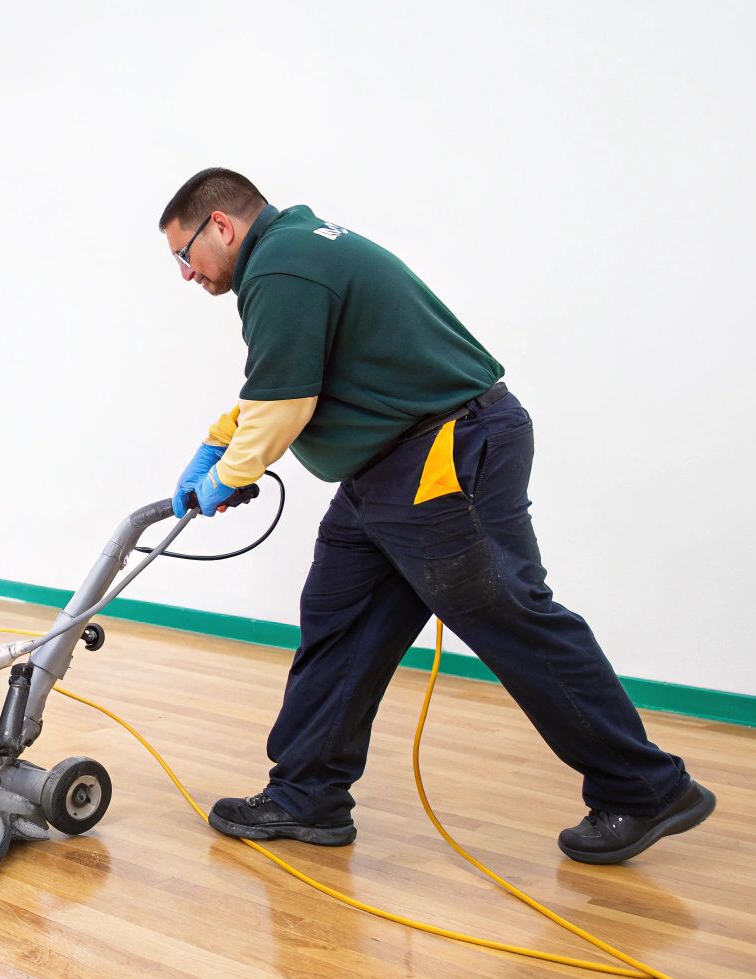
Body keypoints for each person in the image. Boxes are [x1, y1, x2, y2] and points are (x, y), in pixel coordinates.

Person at [160, 168, 713, 864]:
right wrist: (218, 441)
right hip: (387, 466)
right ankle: (307, 796)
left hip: (443, 452)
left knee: (511, 617)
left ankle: (644, 786)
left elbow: (285, 403)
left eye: (184, 257)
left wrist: (229, 475)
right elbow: (293, 377)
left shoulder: (283, 267)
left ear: (221, 225)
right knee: (342, 622)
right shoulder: (298, 251)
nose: (186, 275)